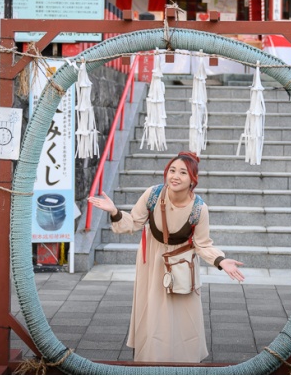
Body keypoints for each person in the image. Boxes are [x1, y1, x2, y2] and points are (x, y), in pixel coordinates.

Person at [88, 151, 245, 363]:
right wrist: (114, 211)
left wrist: (220, 260)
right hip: (153, 261)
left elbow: (203, 243)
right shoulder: (153, 194)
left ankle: (184, 363)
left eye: (183, 172)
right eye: (172, 170)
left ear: (193, 180)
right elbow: (133, 223)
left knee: (182, 314)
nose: (175, 176)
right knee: (152, 310)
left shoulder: (199, 208)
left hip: (181, 264)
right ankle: (151, 361)